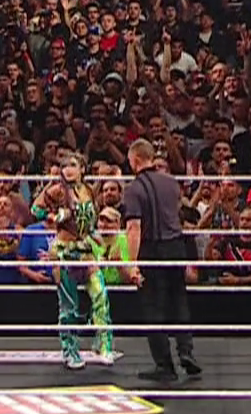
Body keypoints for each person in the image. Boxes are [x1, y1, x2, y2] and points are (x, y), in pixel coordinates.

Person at [121, 139, 199, 383]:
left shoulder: (133, 189)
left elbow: (134, 227)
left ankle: (165, 365)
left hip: (152, 248)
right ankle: (186, 351)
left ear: (134, 160)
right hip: (176, 246)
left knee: (153, 306)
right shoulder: (171, 182)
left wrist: (131, 263)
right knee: (178, 299)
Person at [49, 208, 113, 370]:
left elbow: (98, 239)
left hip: (85, 253)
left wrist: (98, 248)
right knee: (69, 306)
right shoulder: (64, 208)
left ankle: (103, 343)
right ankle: (70, 350)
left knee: (100, 295)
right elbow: (37, 210)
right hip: (63, 254)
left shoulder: (86, 206)